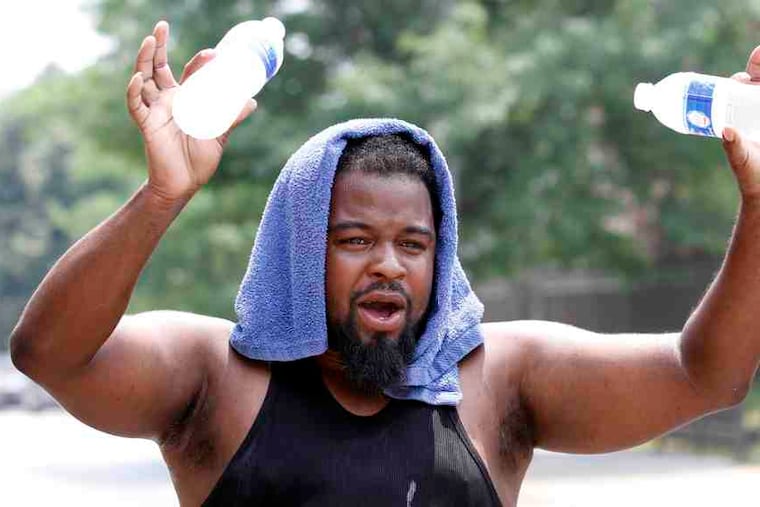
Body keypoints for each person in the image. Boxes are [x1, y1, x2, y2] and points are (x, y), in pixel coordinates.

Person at [9, 20, 760, 507]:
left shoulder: (500, 380)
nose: (390, 266)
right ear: (303, 248)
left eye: (414, 243)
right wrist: (162, 194)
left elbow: (708, 375)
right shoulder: (218, 377)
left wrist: (759, 201)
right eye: (355, 240)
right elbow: (48, 353)